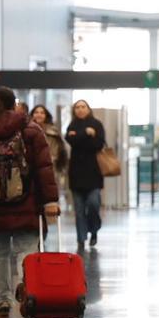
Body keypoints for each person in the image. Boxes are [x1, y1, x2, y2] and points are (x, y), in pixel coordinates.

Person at [0, 87, 59, 318]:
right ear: (14, 104)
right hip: (26, 202)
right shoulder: (30, 129)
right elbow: (44, 168)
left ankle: (2, 300)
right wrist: (49, 201)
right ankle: (28, 296)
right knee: (25, 252)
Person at [65, 100, 105, 249]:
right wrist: (86, 134)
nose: (80, 110)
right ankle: (81, 239)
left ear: (88, 109)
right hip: (76, 173)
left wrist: (80, 136)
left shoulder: (97, 124)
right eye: (77, 107)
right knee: (79, 209)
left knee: (94, 204)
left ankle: (94, 229)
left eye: (83, 107)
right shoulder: (72, 125)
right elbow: (70, 140)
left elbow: (98, 144)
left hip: (93, 173)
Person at [29, 105, 68, 203]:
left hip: (49, 170)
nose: (39, 115)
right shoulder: (26, 130)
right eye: (36, 112)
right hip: (30, 170)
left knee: (49, 202)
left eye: (42, 113)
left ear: (46, 116)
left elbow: (57, 152)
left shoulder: (53, 132)